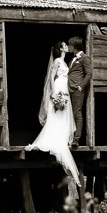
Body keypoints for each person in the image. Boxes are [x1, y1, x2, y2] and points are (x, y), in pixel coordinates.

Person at [26, 42, 80, 192]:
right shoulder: (57, 61)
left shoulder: (64, 61)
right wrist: (53, 92)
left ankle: (61, 137)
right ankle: (54, 139)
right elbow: (51, 75)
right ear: (60, 49)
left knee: (63, 114)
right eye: (64, 45)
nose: (67, 46)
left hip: (65, 88)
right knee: (56, 113)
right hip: (58, 87)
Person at [66, 36, 92, 149]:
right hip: (68, 89)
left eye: (69, 45)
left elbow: (89, 74)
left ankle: (76, 139)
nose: (68, 47)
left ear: (74, 46)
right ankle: (69, 137)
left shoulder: (84, 58)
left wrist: (81, 86)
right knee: (68, 113)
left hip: (77, 89)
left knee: (77, 113)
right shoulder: (72, 59)